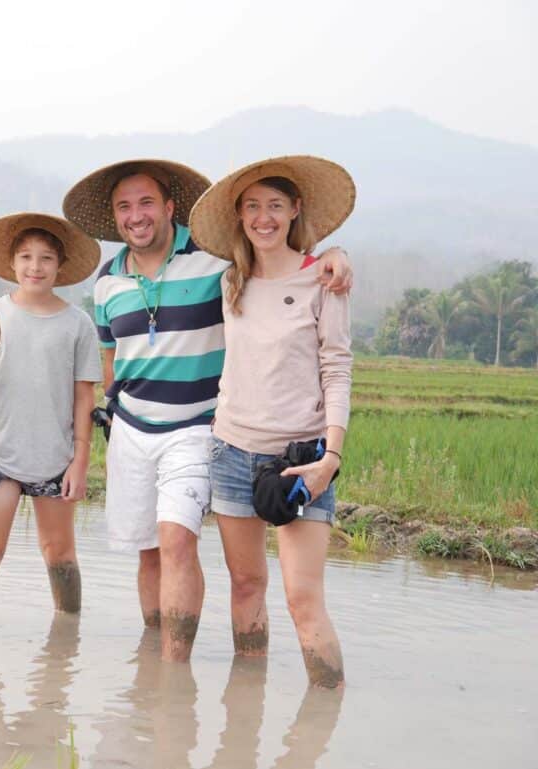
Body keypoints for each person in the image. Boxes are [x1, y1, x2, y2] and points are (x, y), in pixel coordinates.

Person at [62, 159, 352, 662]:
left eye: (147, 202)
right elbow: (110, 363)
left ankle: (176, 670)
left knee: (179, 543)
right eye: (124, 207)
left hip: (201, 426)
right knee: (154, 553)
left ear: (171, 207)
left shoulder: (215, 262)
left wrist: (335, 255)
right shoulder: (108, 281)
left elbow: (278, 268)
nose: (137, 215)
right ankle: (158, 676)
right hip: (139, 430)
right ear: (114, 217)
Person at [189, 155, 354, 687]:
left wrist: (330, 458)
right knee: (245, 584)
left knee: (303, 599)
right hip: (232, 452)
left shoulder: (323, 280)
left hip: (302, 460)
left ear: (294, 210)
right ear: (239, 215)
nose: (264, 217)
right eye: (253, 207)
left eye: (275, 206)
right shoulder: (230, 282)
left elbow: (337, 369)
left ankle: (324, 712)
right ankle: (246, 713)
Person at [0, 213, 102, 621]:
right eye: (26, 257)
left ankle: (67, 635)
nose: (36, 267)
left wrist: (80, 462)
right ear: (12, 264)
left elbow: (82, 396)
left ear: (60, 265)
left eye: (46, 258)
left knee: (60, 552)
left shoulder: (77, 323)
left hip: (55, 458)